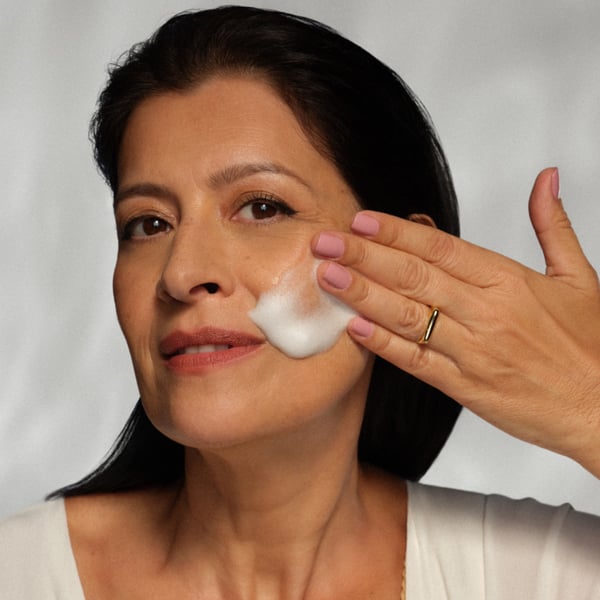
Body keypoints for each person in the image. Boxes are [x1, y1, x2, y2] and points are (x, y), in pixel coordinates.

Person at [1, 5, 599, 598]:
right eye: (148, 223)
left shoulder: (543, 575)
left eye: (262, 207)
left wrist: (590, 405)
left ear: (404, 263)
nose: (181, 274)